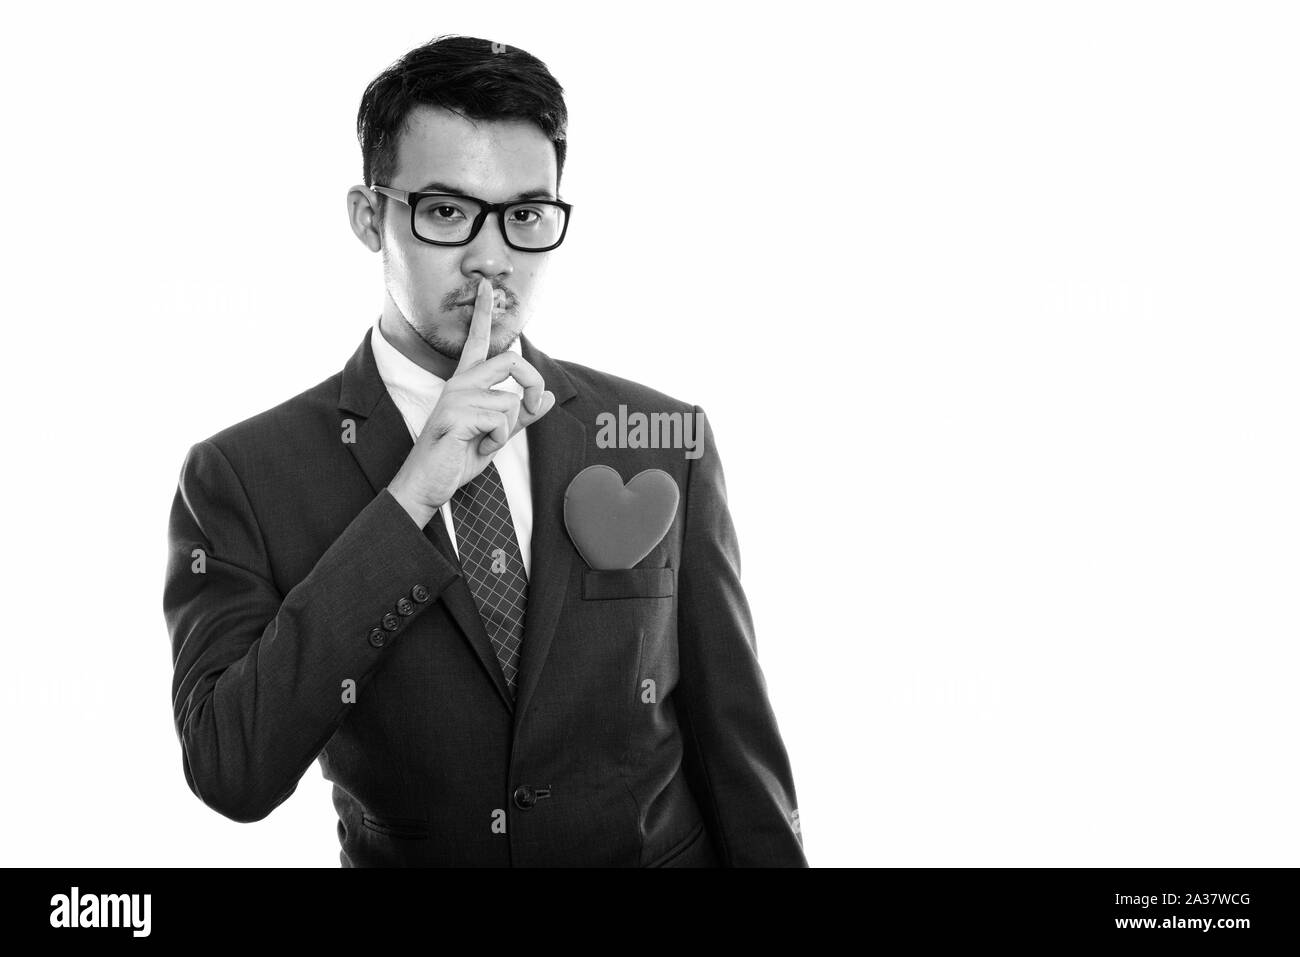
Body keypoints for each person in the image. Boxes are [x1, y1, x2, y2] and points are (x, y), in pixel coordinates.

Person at [163, 33, 807, 867]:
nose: (491, 257)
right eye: (445, 211)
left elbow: (738, 753)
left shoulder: (661, 436)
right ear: (370, 219)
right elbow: (230, 769)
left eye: (525, 215)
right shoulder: (241, 476)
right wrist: (409, 499)